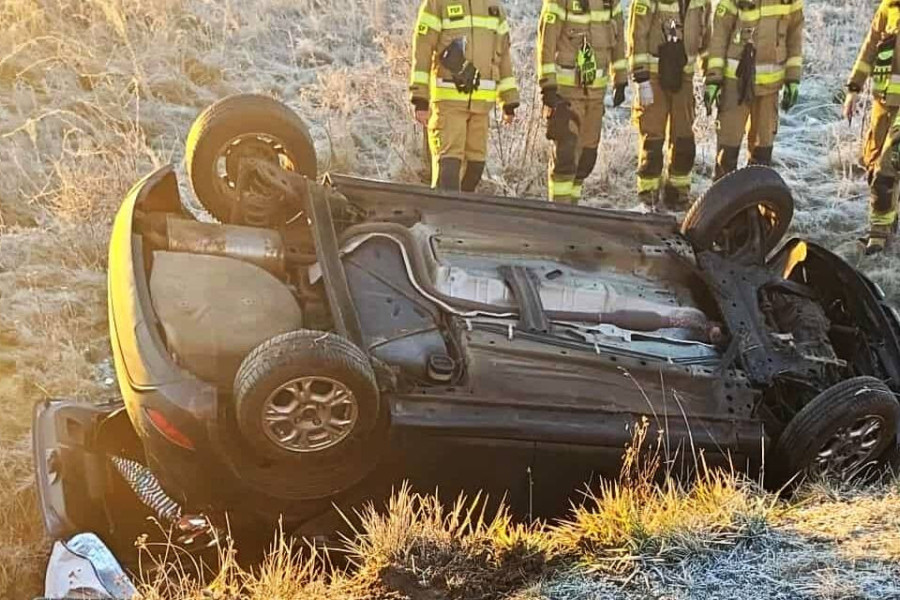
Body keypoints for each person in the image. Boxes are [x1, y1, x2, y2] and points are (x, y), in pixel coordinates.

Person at [409, 0, 520, 192]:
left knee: (475, 166)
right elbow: (423, 50)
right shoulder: (437, 4)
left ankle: (461, 216)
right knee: (449, 168)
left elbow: (503, 57)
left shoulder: (493, 7)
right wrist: (420, 98)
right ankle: (444, 218)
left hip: (482, 106)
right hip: (448, 104)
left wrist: (509, 99)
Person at [537, 0, 628, 204]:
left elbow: (619, 39)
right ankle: (559, 212)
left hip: (596, 95)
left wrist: (620, 79)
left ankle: (573, 208)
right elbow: (546, 43)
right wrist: (548, 86)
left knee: (587, 158)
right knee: (566, 154)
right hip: (566, 94)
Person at [704, 0, 804, 180]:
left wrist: (792, 78)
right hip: (736, 83)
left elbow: (795, 37)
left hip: (770, 87)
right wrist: (714, 79)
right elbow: (719, 35)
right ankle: (723, 203)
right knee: (727, 149)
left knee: (762, 152)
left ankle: (754, 203)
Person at [628, 0, 711, 211]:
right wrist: (641, 78)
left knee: (683, 139)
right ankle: (649, 197)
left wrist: (711, 79)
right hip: (654, 76)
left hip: (684, 77)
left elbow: (707, 41)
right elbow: (637, 35)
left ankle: (678, 195)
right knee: (653, 138)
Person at [844, 0, 900, 254]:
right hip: (883, 103)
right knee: (873, 161)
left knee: (886, 167)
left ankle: (878, 237)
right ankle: (891, 220)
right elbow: (870, 46)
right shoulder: (889, 7)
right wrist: (854, 88)